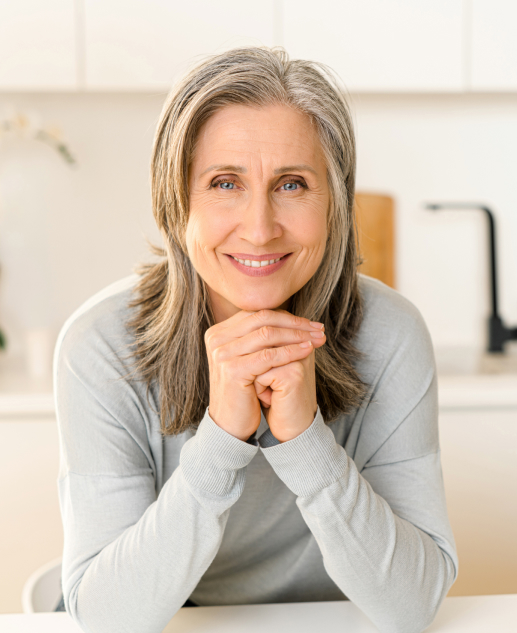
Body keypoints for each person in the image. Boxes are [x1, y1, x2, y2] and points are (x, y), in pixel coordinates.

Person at [54, 47, 458, 633]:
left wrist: (306, 442)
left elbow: (413, 605)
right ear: (176, 203)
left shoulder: (391, 334)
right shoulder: (100, 347)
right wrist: (220, 442)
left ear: (335, 204)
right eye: (224, 183)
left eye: (292, 184)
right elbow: (107, 617)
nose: (261, 227)